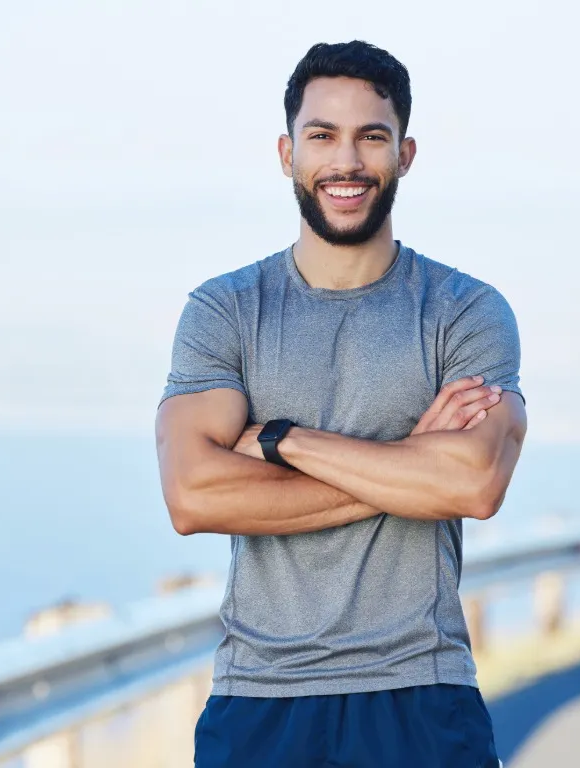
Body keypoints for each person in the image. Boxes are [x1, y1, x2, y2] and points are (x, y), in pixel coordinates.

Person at [156, 39, 526, 768]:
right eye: (323, 135)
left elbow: (473, 485)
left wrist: (280, 439)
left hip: (422, 692)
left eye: (372, 137)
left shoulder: (465, 311)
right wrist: (406, 468)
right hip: (260, 699)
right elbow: (192, 496)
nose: (346, 161)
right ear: (287, 152)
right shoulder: (225, 312)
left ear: (406, 154)